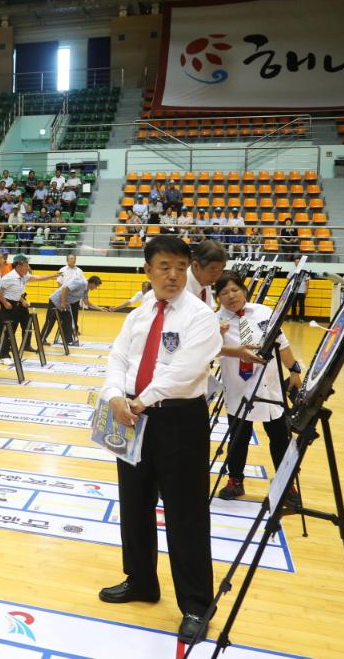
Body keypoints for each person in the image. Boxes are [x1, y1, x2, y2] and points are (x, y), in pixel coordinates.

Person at [98, 235, 222, 646]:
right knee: (133, 502)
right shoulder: (139, 313)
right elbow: (117, 357)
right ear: (147, 270)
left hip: (177, 421)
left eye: (181, 267)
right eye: (165, 266)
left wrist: (139, 400)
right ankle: (141, 580)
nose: (173, 275)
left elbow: (185, 371)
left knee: (185, 513)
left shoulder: (200, 315)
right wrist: (116, 396)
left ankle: (196, 605)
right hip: (130, 416)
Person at [215, 271, 303, 502]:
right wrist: (217, 335)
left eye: (235, 290)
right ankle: (235, 481)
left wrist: (294, 370)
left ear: (244, 291)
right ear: (218, 298)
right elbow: (207, 353)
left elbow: (282, 344)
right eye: (224, 292)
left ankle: (287, 484)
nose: (231, 296)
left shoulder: (264, 312)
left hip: (270, 387)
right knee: (238, 439)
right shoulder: (215, 321)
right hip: (238, 388)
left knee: (280, 438)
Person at [0, 254, 59, 357]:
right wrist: (4, 302)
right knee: (9, 330)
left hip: (17, 303)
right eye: (26, 265)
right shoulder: (9, 277)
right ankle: (4, 354)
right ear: (18, 266)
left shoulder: (23, 276)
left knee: (26, 324)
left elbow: (38, 278)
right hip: (7, 305)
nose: (28, 268)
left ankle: (25, 345)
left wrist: (53, 276)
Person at [42, 275, 105, 346]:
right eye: (96, 286)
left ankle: (67, 341)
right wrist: (63, 302)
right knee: (50, 321)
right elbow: (65, 289)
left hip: (65, 303)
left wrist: (99, 308)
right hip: (55, 301)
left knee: (68, 319)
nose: (96, 288)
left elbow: (86, 302)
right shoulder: (80, 283)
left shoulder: (86, 289)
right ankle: (42, 339)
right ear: (93, 283)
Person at [187, 239, 227, 306]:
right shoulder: (180, 288)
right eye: (212, 271)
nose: (217, 277)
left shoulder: (204, 281)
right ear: (195, 266)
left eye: (220, 270)